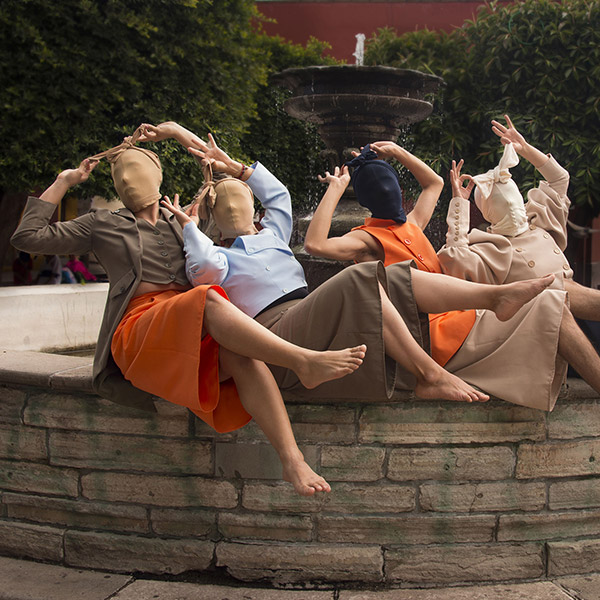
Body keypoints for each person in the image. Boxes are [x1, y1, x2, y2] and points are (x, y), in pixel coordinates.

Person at [10, 129, 371, 497]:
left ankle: (292, 460)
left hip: (186, 326)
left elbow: (228, 198)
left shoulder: (181, 222)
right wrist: (63, 182)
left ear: (157, 176)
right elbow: (27, 237)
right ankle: (302, 361)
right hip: (139, 329)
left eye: (138, 169)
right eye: (121, 174)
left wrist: (178, 138)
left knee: (241, 356)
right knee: (208, 297)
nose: (130, 179)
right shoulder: (102, 223)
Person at [141, 122, 553, 406]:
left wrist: (231, 166)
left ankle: (495, 298)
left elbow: (278, 193)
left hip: (309, 312)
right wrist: (190, 227)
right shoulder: (217, 257)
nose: (236, 204)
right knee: (364, 275)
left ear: (255, 206)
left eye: (242, 196)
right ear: (213, 221)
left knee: (393, 276)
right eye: (226, 202)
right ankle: (430, 373)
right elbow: (205, 265)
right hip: (273, 335)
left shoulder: (274, 233)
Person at [303, 141, 600, 411]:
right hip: (437, 340)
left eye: (389, 183)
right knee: (555, 305)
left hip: (465, 319)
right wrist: (337, 188)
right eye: (380, 187)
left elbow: (434, 182)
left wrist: (397, 151)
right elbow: (315, 244)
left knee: (556, 293)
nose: (387, 190)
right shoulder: (366, 239)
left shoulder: (412, 224)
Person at [437, 114, 598, 322]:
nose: (510, 204)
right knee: (555, 289)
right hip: (542, 320)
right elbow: (455, 264)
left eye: (511, 196)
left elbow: (559, 179)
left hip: (580, 311)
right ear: (488, 213)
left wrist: (525, 148)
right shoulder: (492, 249)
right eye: (500, 202)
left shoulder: (540, 221)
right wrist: (459, 204)